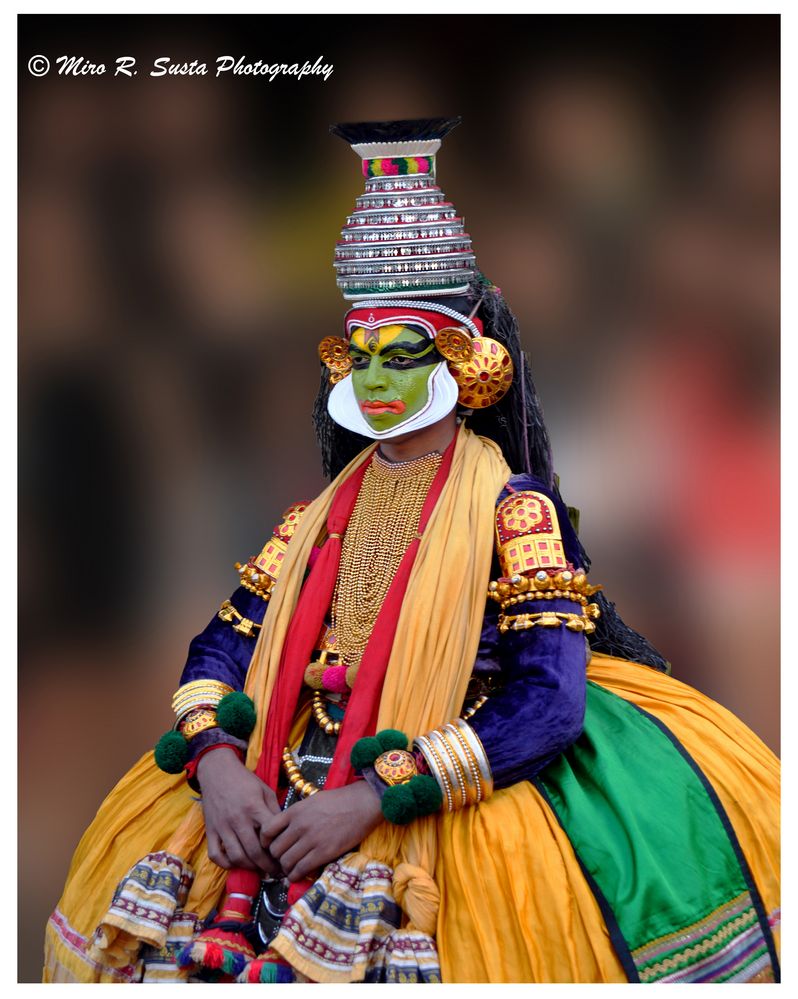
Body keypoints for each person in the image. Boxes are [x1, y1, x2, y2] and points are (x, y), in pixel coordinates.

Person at [43, 118, 780, 984]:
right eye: (359, 357)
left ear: (469, 363)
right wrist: (215, 765)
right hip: (269, 780)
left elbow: (547, 698)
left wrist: (373, 796)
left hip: (448, 788)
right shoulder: (313, 515)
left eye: (403, 354)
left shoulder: (515, 511)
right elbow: (221, 647)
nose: (376, 379)